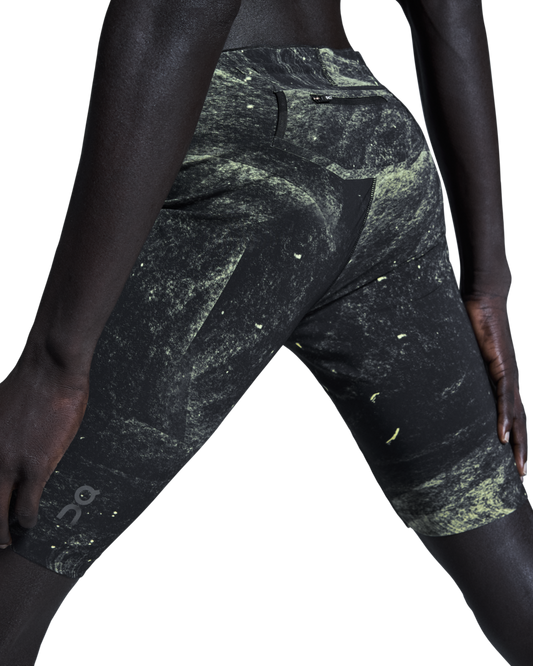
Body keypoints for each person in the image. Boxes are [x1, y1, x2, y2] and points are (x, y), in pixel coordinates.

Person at [0, 0, 531, 664]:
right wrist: (488, 280)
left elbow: (176, 13)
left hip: (240, 157)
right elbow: (447, 10)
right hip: (374, 145)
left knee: (11, 557)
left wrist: (55, 366)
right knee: (506, 562)